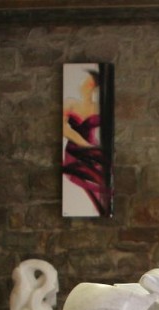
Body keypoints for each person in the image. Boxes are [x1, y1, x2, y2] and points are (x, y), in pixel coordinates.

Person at [62, 68, 111, 216]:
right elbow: (65, 130)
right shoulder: (70, 103)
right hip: (75, 152)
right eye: (83, 82)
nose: (83, 85)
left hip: (93, 150)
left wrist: (95, 147)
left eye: (88, 83)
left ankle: (103, 211)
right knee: (95, 179)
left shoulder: (99, 107)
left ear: (95, 88)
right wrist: (86, 145)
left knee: (104, 177)